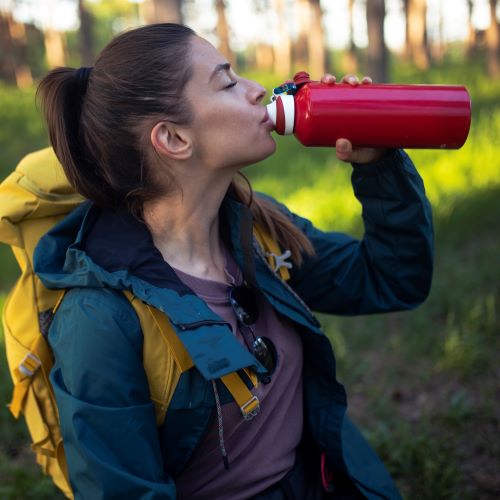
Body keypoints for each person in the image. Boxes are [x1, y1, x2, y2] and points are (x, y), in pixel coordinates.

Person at [34, 23, 433, 499]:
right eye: (226, 82)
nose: (257, 89)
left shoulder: (257, 230)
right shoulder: (100, 319)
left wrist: (378, 166)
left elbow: (391, 278)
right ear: (174, 139)